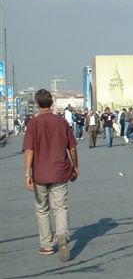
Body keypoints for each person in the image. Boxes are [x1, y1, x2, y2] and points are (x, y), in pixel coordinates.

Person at [22, 89, 78, 262]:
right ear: (52, 103)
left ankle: (46, 245)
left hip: (40, 173)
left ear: (37, 105)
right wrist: (75, 166)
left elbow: (29, 150)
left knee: (42, 209)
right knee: (60, 207)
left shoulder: (33, 123)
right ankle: (62, 234)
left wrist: (27, 174)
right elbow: (73, 148)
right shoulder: (61, 122)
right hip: (60, 171)